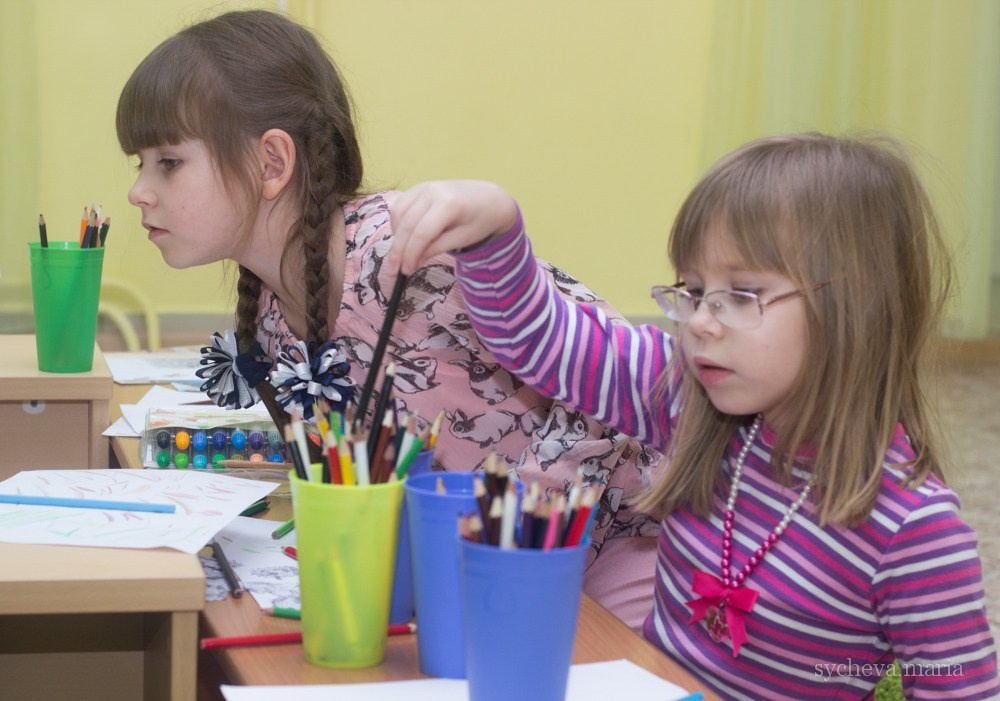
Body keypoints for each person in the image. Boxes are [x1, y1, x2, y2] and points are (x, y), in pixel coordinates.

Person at [385, 134, 1000, 699]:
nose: (702, 321)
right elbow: (538, 339)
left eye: (740, 295)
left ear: (853, 307)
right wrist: (495, 228)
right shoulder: (684, 395)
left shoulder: (917, 532)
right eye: (695, 292)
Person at [115, 9, 660, 629]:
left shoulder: (408, 253)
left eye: (168, 161)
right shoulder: (269, 312)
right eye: (139, 164)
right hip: (459, 581)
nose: (139, 191)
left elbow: (611, 383)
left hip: (616, 544)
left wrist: (501, 547)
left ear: (271, 163)